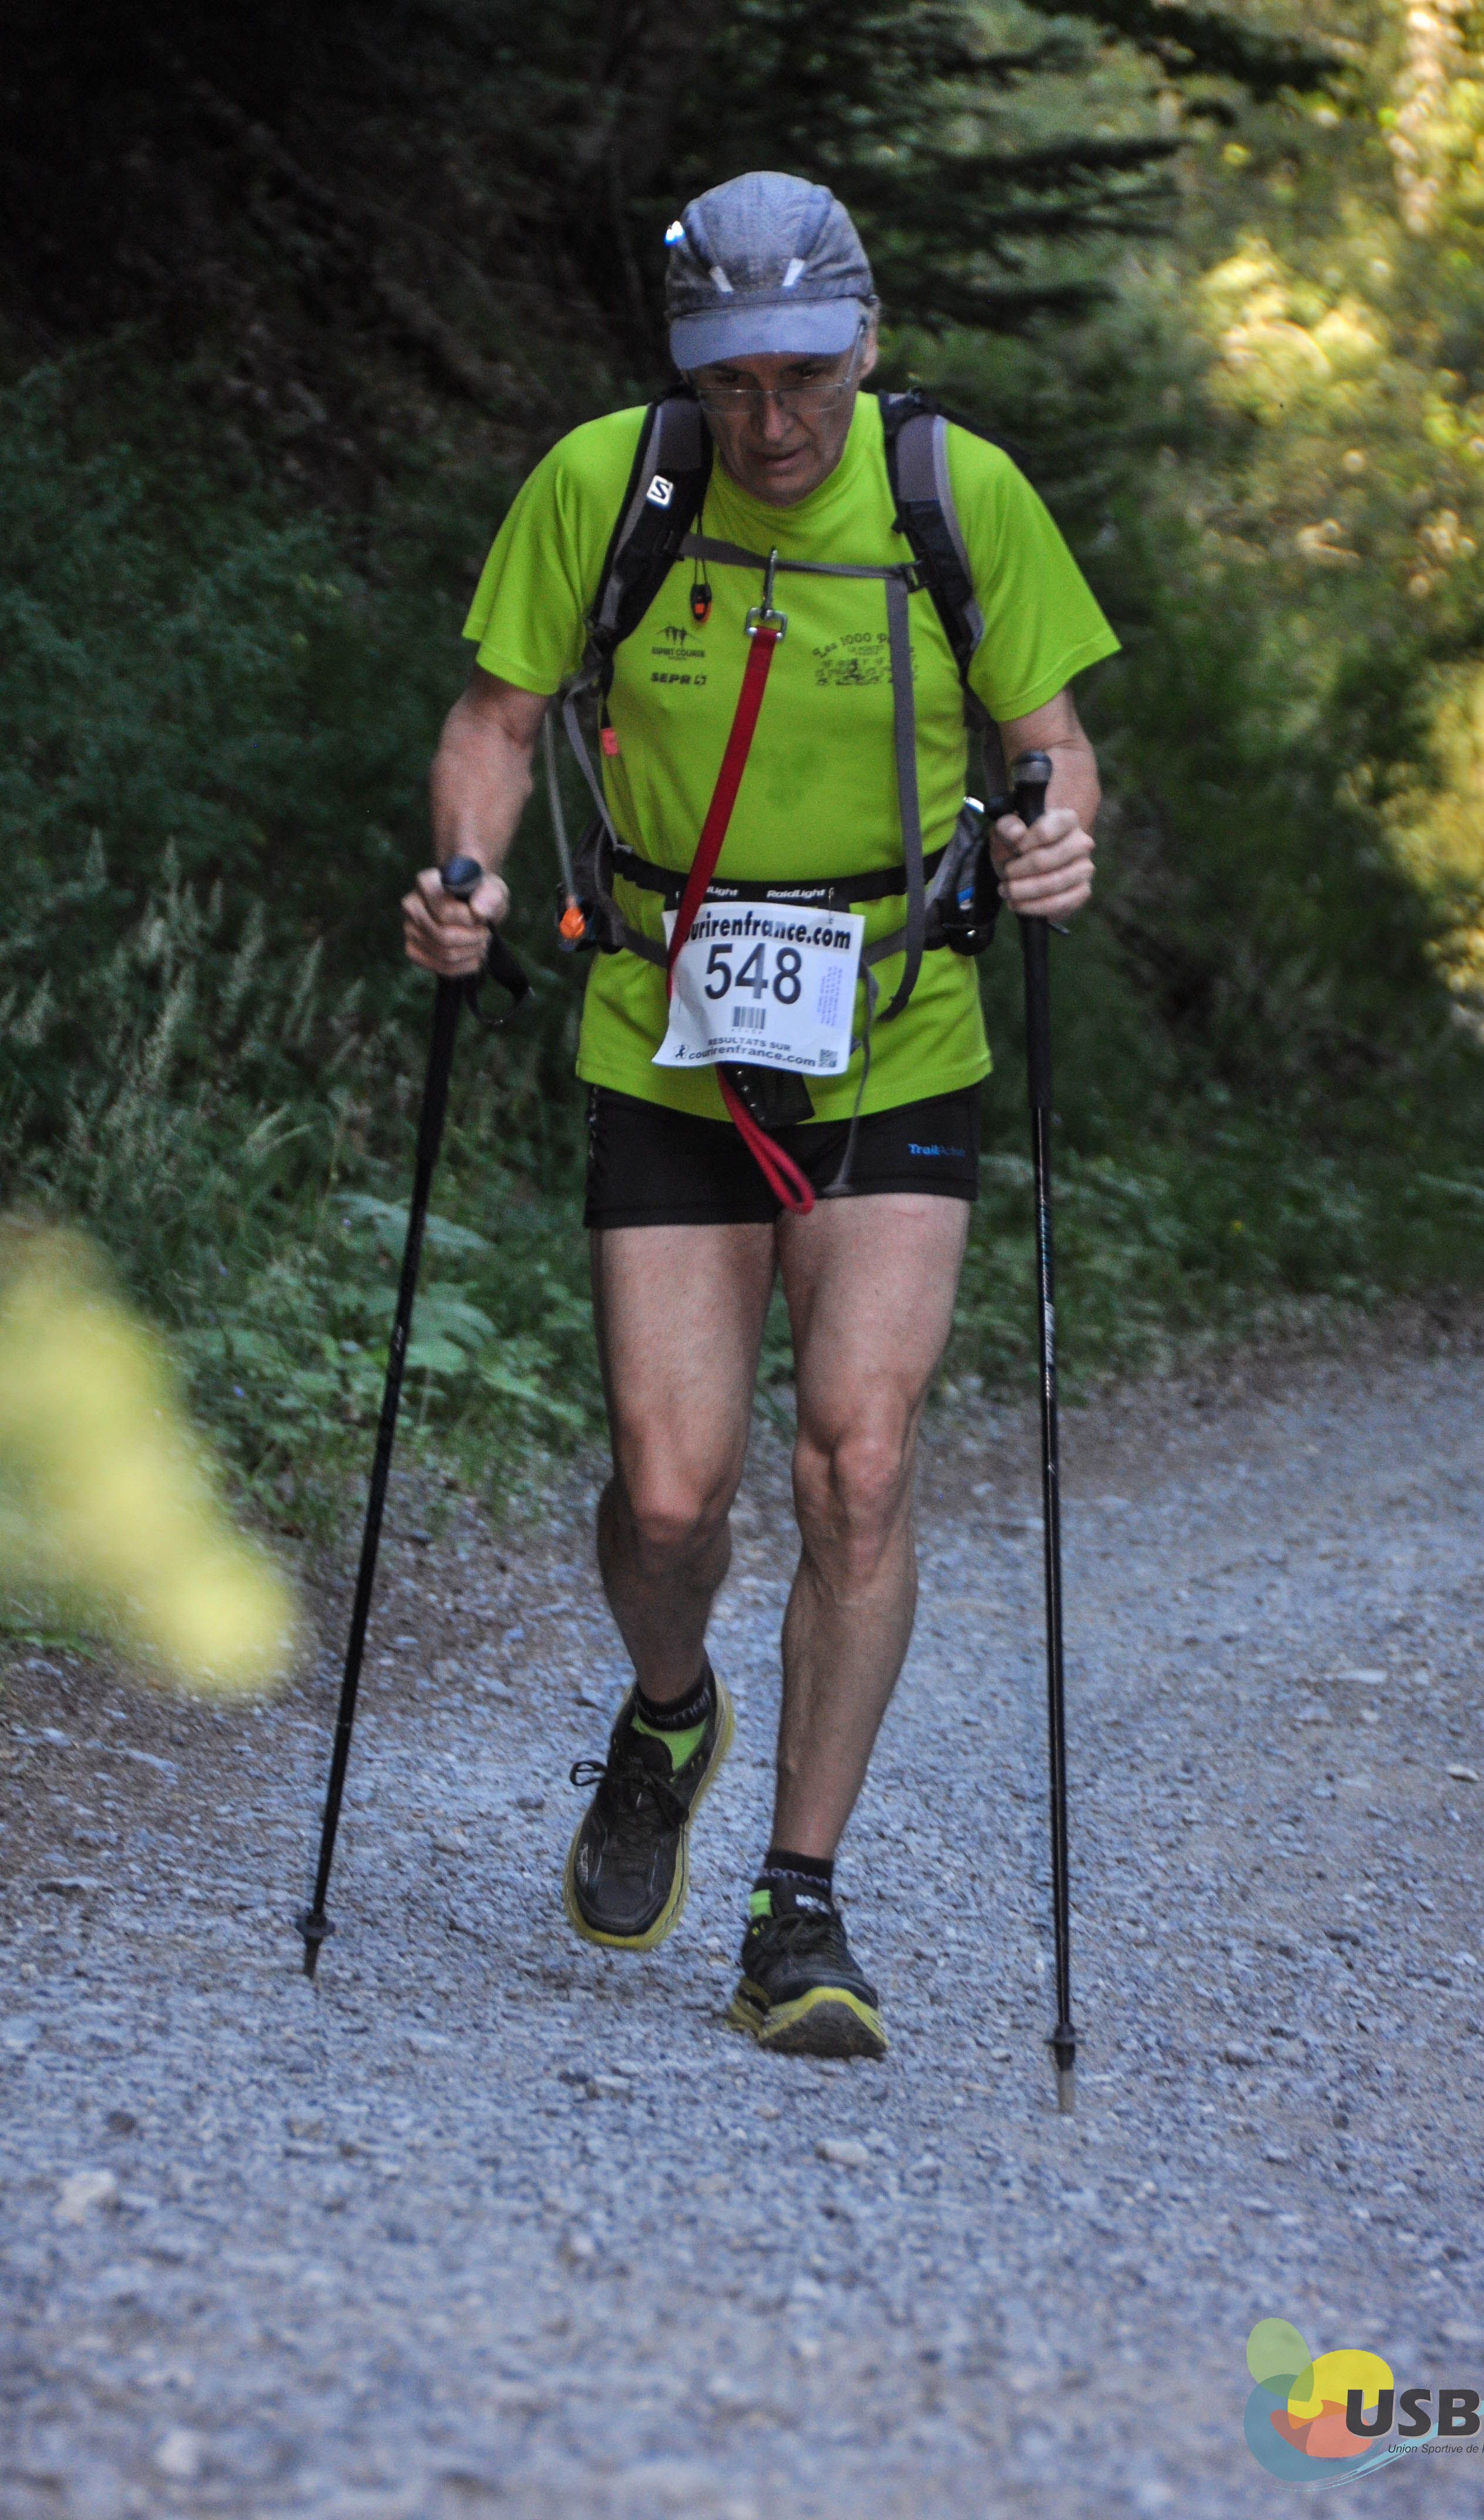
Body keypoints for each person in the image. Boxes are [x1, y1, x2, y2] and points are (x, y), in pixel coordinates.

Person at [403, 170, 1116, 2060]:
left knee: (858, 1464)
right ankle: (669, 1715)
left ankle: (798, 1907)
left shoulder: (958, 495)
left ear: (868, 345)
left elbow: (1051, 747)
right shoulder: (610, 486)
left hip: (899, 1029)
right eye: (734, 384)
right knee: (668, 1496)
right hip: (670, 1028)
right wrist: (466, 877)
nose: (773, 421)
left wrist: (1056, 841)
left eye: (805, 377)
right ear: (688, 371)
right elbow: (494, 721)